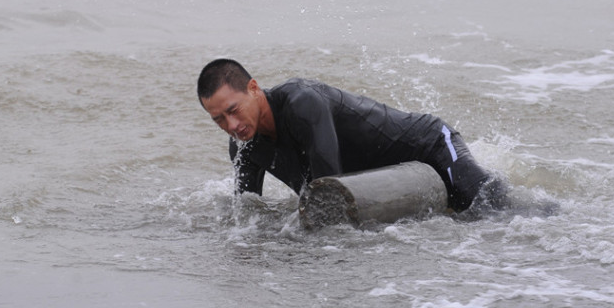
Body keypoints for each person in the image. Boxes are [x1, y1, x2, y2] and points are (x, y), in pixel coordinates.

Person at [196, 58, 505, 212]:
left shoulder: (302, 103)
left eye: (234, 110)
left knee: (489, 208)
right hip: (393, 183)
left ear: (253, 89)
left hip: (430, 146)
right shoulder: (244, 149)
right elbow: (247, 215)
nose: (231, 125)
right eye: (219, 119)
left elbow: (330, 195)